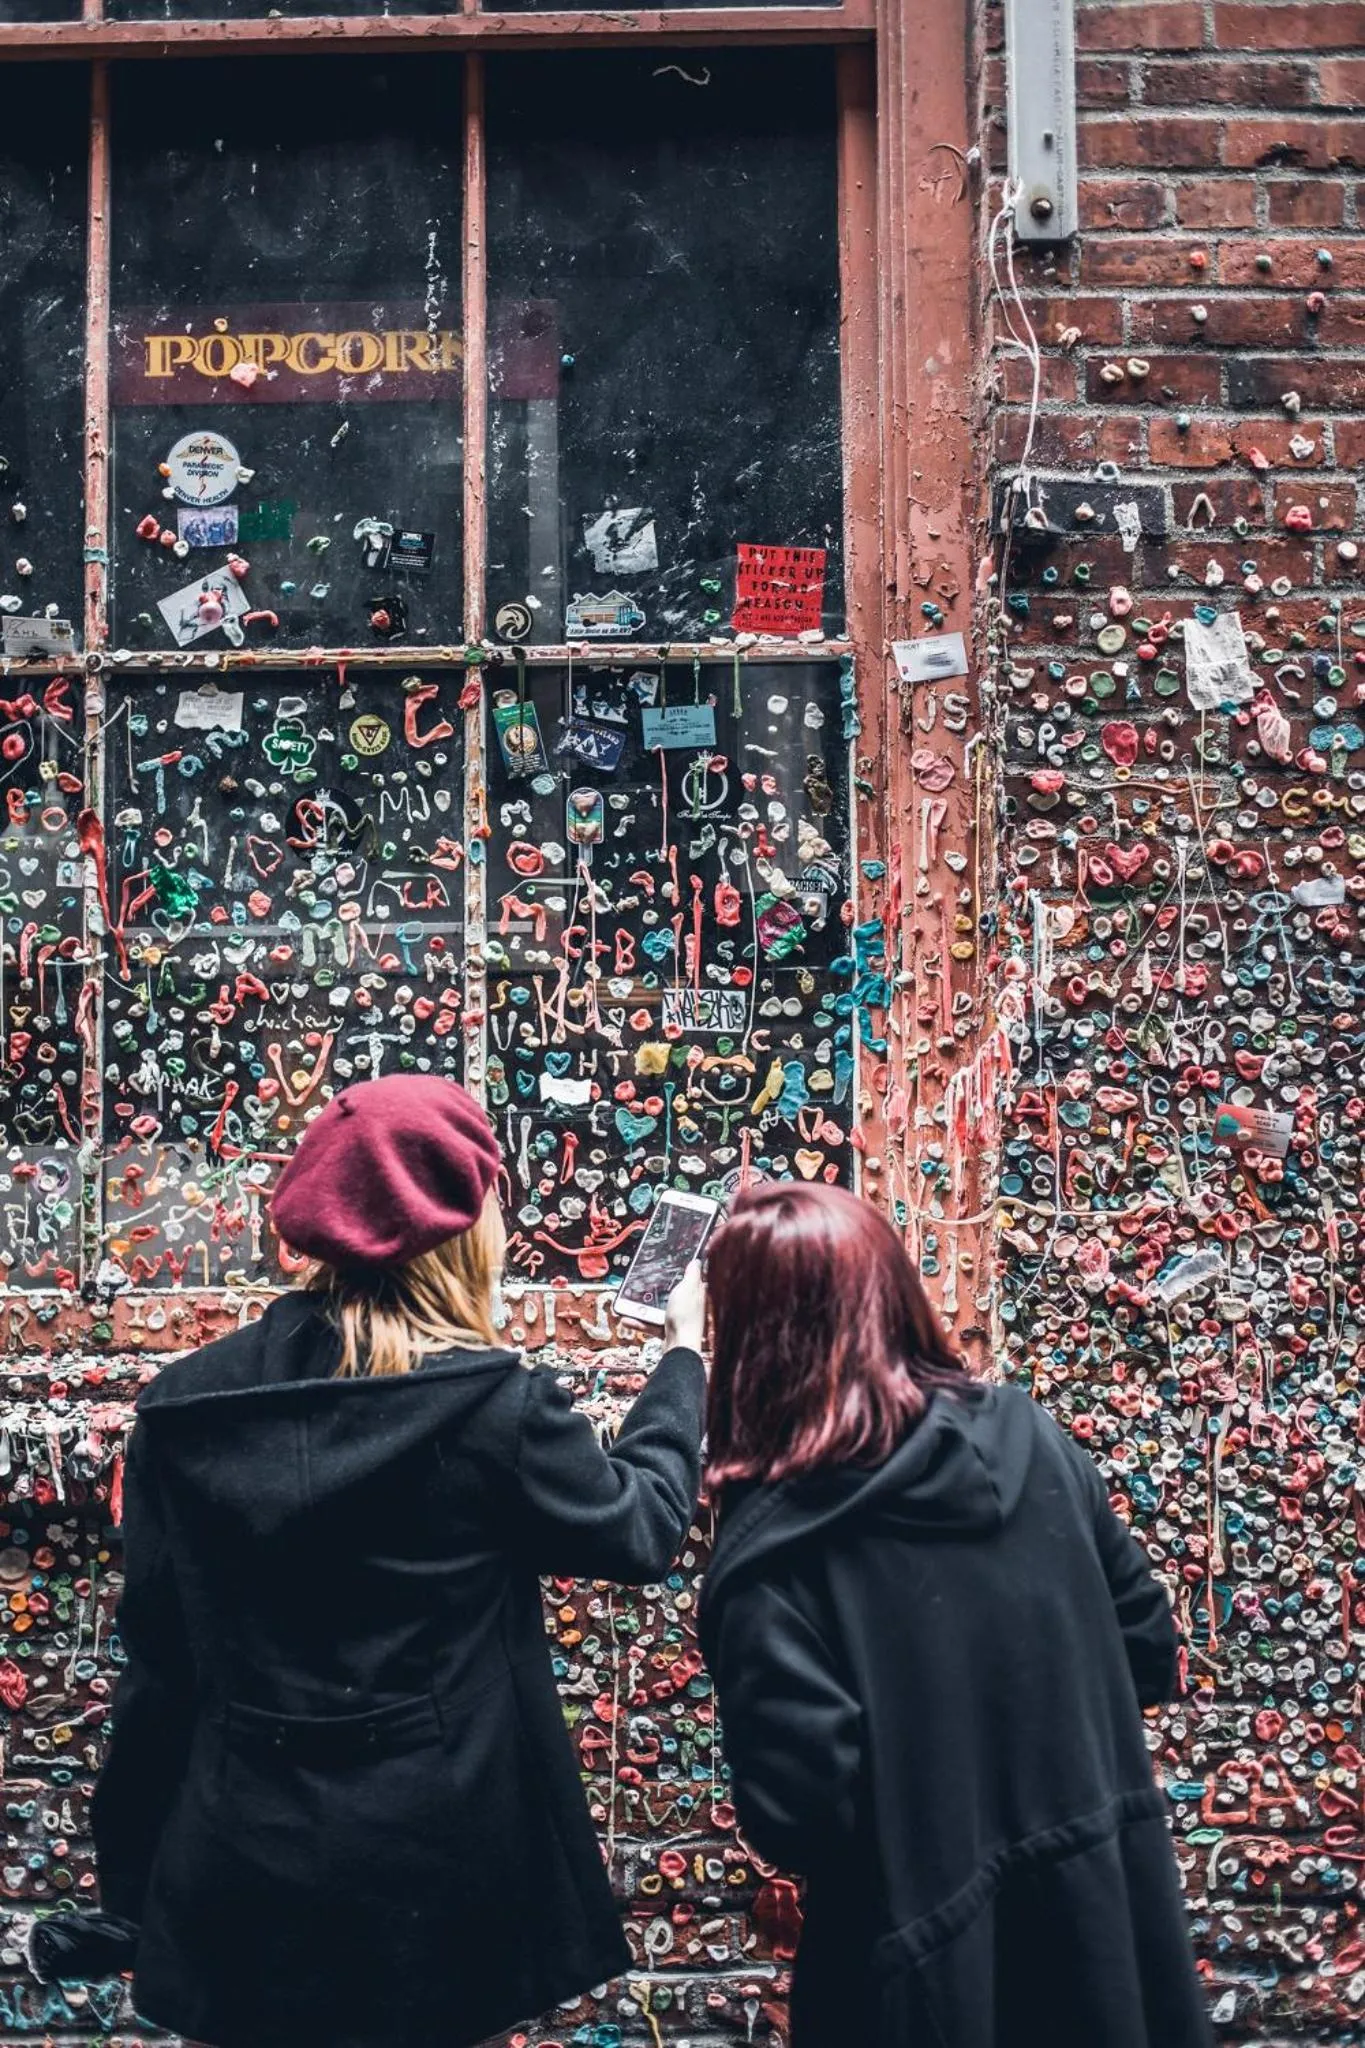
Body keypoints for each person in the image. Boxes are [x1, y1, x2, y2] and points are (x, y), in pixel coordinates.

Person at [89, 1075, 708, 2048]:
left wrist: (128, 1881)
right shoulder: (492, 1408)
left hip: (243, 1862)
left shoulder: (185, 1408)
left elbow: (157, 1668)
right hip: (439, 1876)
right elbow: (641, 1524)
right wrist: (683, 1359)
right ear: (461, 1224)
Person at [698, 1181, 1212, 2048]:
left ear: (746, 1340)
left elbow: (799, 1814)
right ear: (895, 1294)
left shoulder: (770, 1559)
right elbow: (1148, 1646)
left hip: (917, 1977)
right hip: (1103, 1940)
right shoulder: (1027, 1434)